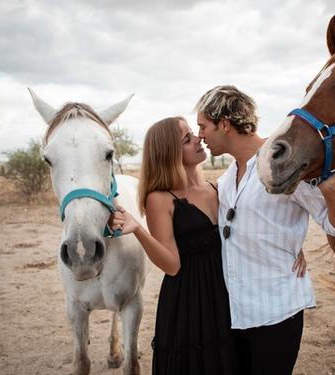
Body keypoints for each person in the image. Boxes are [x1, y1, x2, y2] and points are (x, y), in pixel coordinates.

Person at [109, 116, 307, 374]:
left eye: (194, 132)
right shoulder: (160, 198)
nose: (198, 139)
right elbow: (171, 265)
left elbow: (247, 227)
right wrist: (138, 229)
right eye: (187, 138)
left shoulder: (218, 187)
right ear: (170, 152)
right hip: (190, 300)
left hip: (227, 292)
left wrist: (292, 246)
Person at [195, 85, 335, 375]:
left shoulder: (285, 164)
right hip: (233, 313)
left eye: (203, 126)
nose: (200, 135)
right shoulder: (227, 176)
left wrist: (327, 185)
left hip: (276, 312)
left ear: (224, 123)